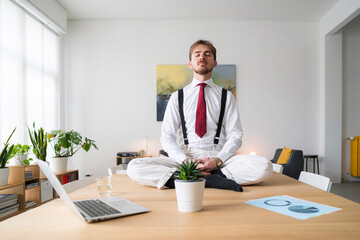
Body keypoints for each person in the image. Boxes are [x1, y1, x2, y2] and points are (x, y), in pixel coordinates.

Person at [127, 40, 272, 191]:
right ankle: (211, 179)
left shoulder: (226, 96)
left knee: (264, 166)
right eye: (197, 54)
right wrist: (186, 161)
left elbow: (235, 134)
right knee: (134, 167)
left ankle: (188, 178)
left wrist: (216, 161)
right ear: (190, 63)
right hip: (185, 157)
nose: (202, 57)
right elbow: (167, 136)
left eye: (207, 54)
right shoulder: (178, 97)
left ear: (214, 63)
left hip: (217, 156)